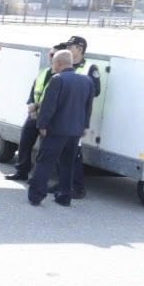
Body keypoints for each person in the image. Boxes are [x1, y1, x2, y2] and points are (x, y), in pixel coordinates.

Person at [28, 48, 94, 207]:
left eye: (53, 63)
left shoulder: (58, 79)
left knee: (45, 162)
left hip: (56, 130)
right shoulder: (87, 81)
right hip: (75, 131)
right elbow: (88, 107)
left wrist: (42, 125)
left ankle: (36, 195)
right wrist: (84, 126)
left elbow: (48, 106)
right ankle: (65, 196)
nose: (53, 66)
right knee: (67, 164)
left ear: (58, 63)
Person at [5, 42, 68, 183]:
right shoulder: (45, 72)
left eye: (53, 55)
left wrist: (37, 107)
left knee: (45, 149)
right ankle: (21, 171)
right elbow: (35, 89)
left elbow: (56, 100)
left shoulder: (62, 77)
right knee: (25, 143)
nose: (50, 57)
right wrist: (31, 104)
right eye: (50, 54)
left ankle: (38, 178)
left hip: (49, 118)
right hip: (34, 114)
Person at [62, 34, 103, 199]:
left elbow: (97, 90)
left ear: (80, 49)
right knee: (62, 152)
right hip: (63, 115)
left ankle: (78, 188)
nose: (67, 50)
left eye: (70, 47)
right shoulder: (66, 65)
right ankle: (64, 184)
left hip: (77, 117)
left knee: (74, 153)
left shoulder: (90, 68)